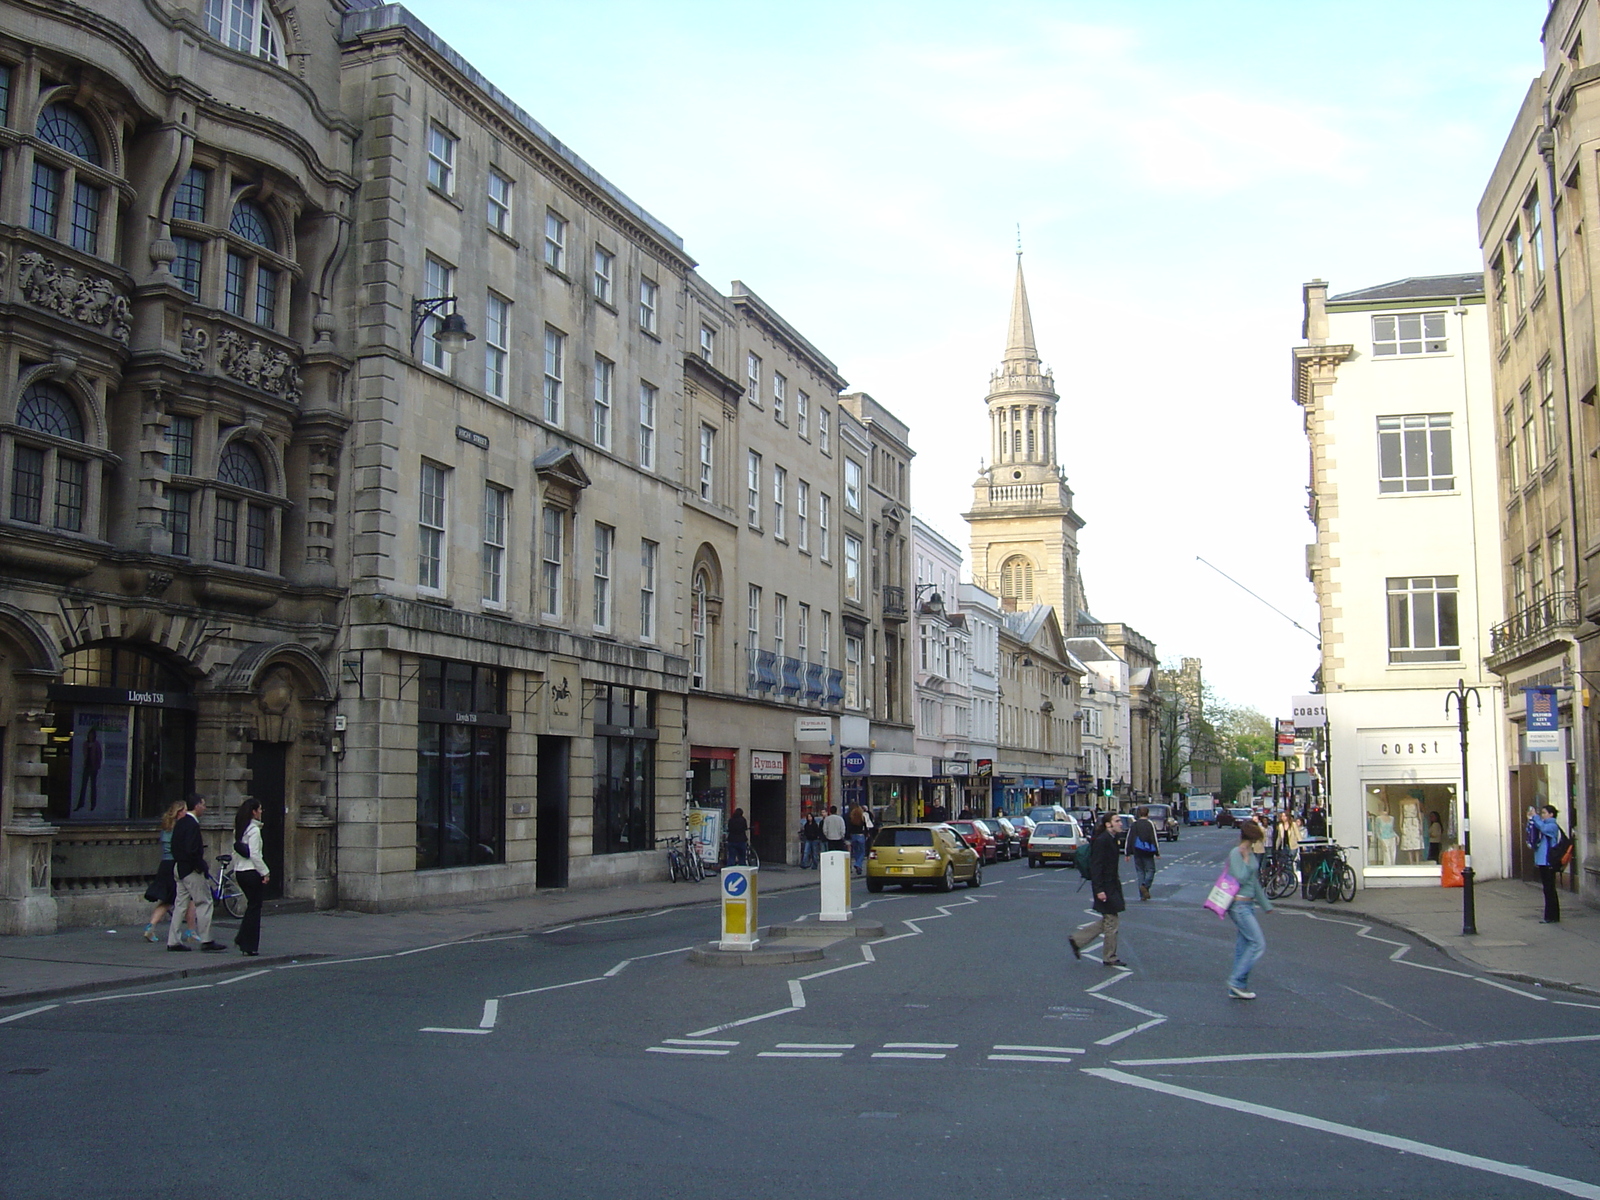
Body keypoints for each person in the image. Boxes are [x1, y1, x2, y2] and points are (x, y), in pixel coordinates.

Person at [167, 793, 226, 953]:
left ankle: (173, 940)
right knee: (204, 902)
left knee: (180, 905)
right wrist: (200, 867)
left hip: (179, 867)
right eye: (203, 804)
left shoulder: (181, 823)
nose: (205, 808)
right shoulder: (192, 825)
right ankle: (206, 939)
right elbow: (192, 850)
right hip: (191, 870)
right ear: (197, 806)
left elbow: (175, 847)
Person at [1069, 813, 1128, 968]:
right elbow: (1096, 867)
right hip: (1106, 888)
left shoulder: (1112, 839)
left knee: (1108, 920)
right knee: (1111, 922)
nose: (1120, 823)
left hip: (1111, 886)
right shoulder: (1103, 841)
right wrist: (1099, 890)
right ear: (1108, 825)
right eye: (1117, 821)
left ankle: (1077, 940)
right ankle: (1109, 956)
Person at [1225, 819, 1275, 999]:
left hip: (1248, 904)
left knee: (1244, 945)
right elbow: (1240, 878)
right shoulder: (1237, 853)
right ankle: (1236, 981)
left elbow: (1254, 882)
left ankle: (1237, 988)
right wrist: (1246, 860)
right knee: (1258, 944)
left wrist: (1265, 904)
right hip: (1238, 906)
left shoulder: (1250, 853)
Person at [143, 800, 196, 945]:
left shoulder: (165, 827)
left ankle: (151, 926)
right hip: (175, 864)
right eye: (185, 810)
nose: (187, 812)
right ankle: (191, 931)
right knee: (190, 898)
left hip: (164, 864)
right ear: (179, 812)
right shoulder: (180, 828)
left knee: (168, 899)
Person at [231, 799, 270, 956]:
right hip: (251, 871)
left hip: (240, 871)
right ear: (253, 812)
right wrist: (265, 872)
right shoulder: (254, 831)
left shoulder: (240, 829)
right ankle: (249, 944)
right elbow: (254, 854)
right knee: (255, 907)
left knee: (251, 906)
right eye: (260, 809)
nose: (261, 812)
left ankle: (242, 938)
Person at [1528, 804, 1563, 923]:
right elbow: (1533, 831)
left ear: (1551, 814)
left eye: (1544, 813)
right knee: (1547, 889)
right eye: (1541, 813)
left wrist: (1536, 817)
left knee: (1549, 889)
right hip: (1542, 861)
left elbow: (1543, 828)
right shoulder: (1542, 823)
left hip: (1548, 861)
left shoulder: (1552, 826)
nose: (1542, 815)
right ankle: (1551, 915)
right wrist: (1531, 820)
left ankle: (1551, 916)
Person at [1125, 805, 1160, 901]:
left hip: (1137, 851)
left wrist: (1127, 853)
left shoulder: (1134, 824)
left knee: (1140, 872)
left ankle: (1142, 895)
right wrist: (1157, 852)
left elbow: (1129, 838)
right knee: (1151, 870)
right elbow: (1154, 838)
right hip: (1148, 851)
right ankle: (1145, 886)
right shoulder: (1150, 824)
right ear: (1147, 813)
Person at [847, 803, 870, 875]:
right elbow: (865, 827)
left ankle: (858, 867)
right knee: (862, 852)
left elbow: (849, 828)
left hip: (853, 836)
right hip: (861, 835)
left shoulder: (851, 818)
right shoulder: (862, 818)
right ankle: (858, 864)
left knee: (856, 852)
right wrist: (867, 834)